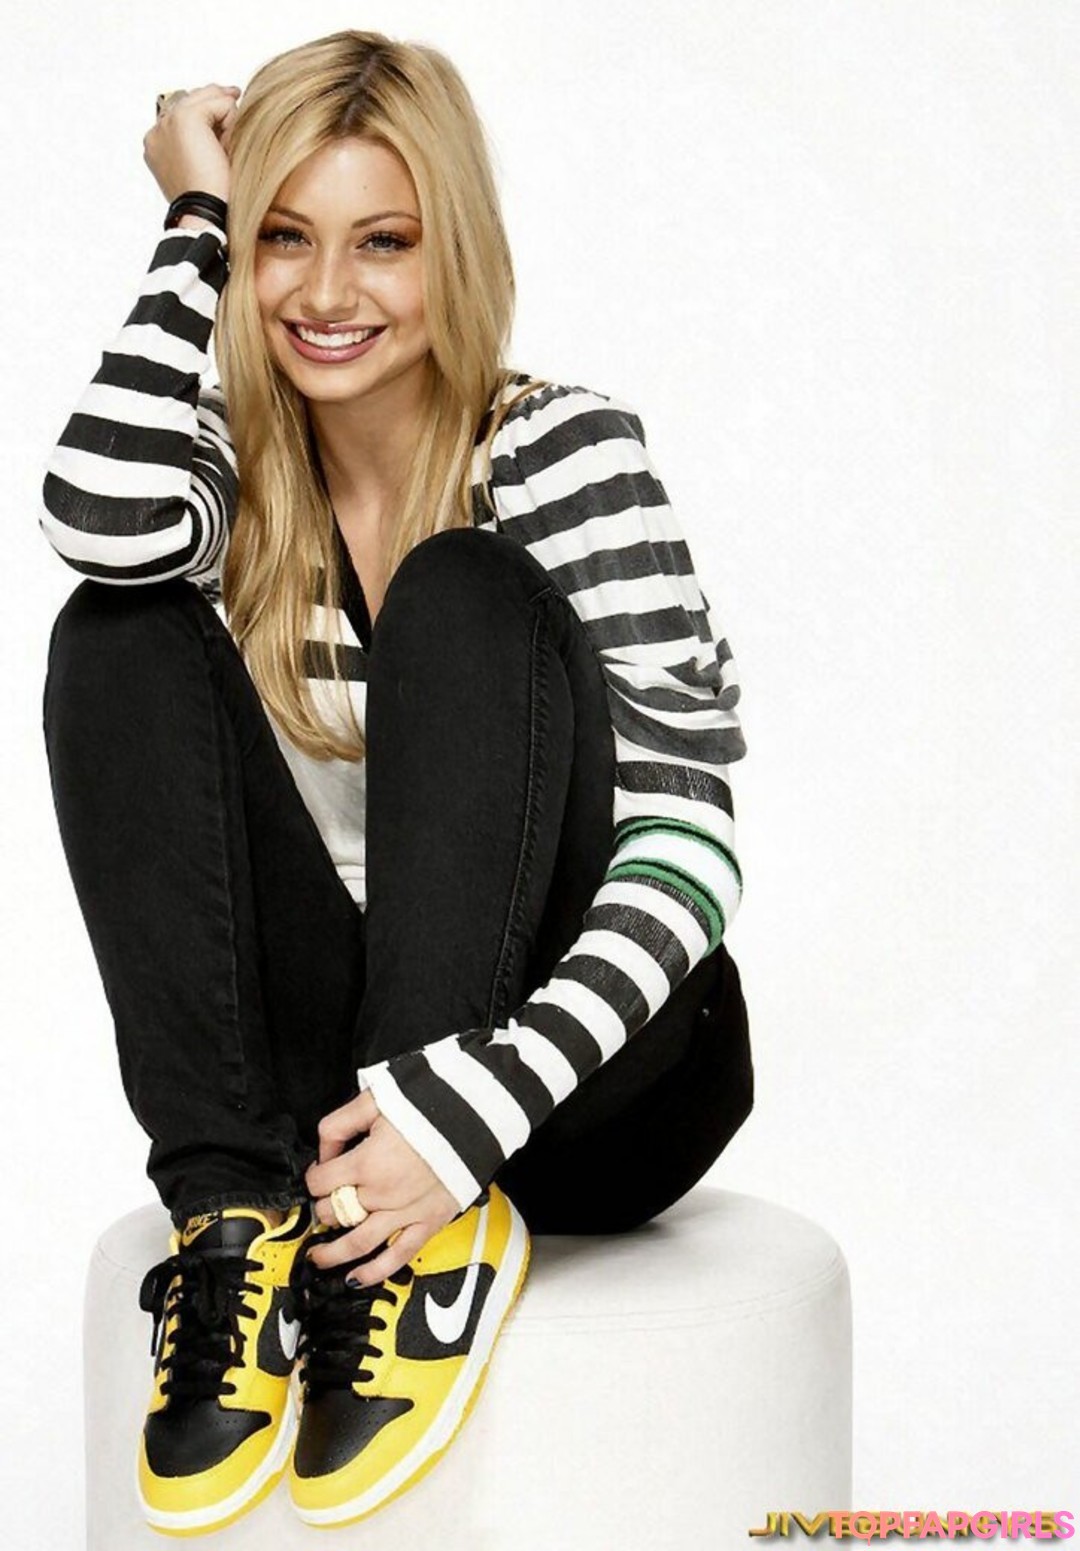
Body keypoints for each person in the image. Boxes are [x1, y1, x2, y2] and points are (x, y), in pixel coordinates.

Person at [39, 28, 753, 1538]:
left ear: (455, 251)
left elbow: (691, 842)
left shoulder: (560, 450)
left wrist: (467, 1106)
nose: (325, 291)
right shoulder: (226, 475)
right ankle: (233, 1216)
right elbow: (93, 518)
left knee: (463, 588)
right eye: (281, 237)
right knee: (113, 626)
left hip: (590, 1078)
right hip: (344, 1101)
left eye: (384, 242)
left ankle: (427, 1239)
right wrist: (191, 217)